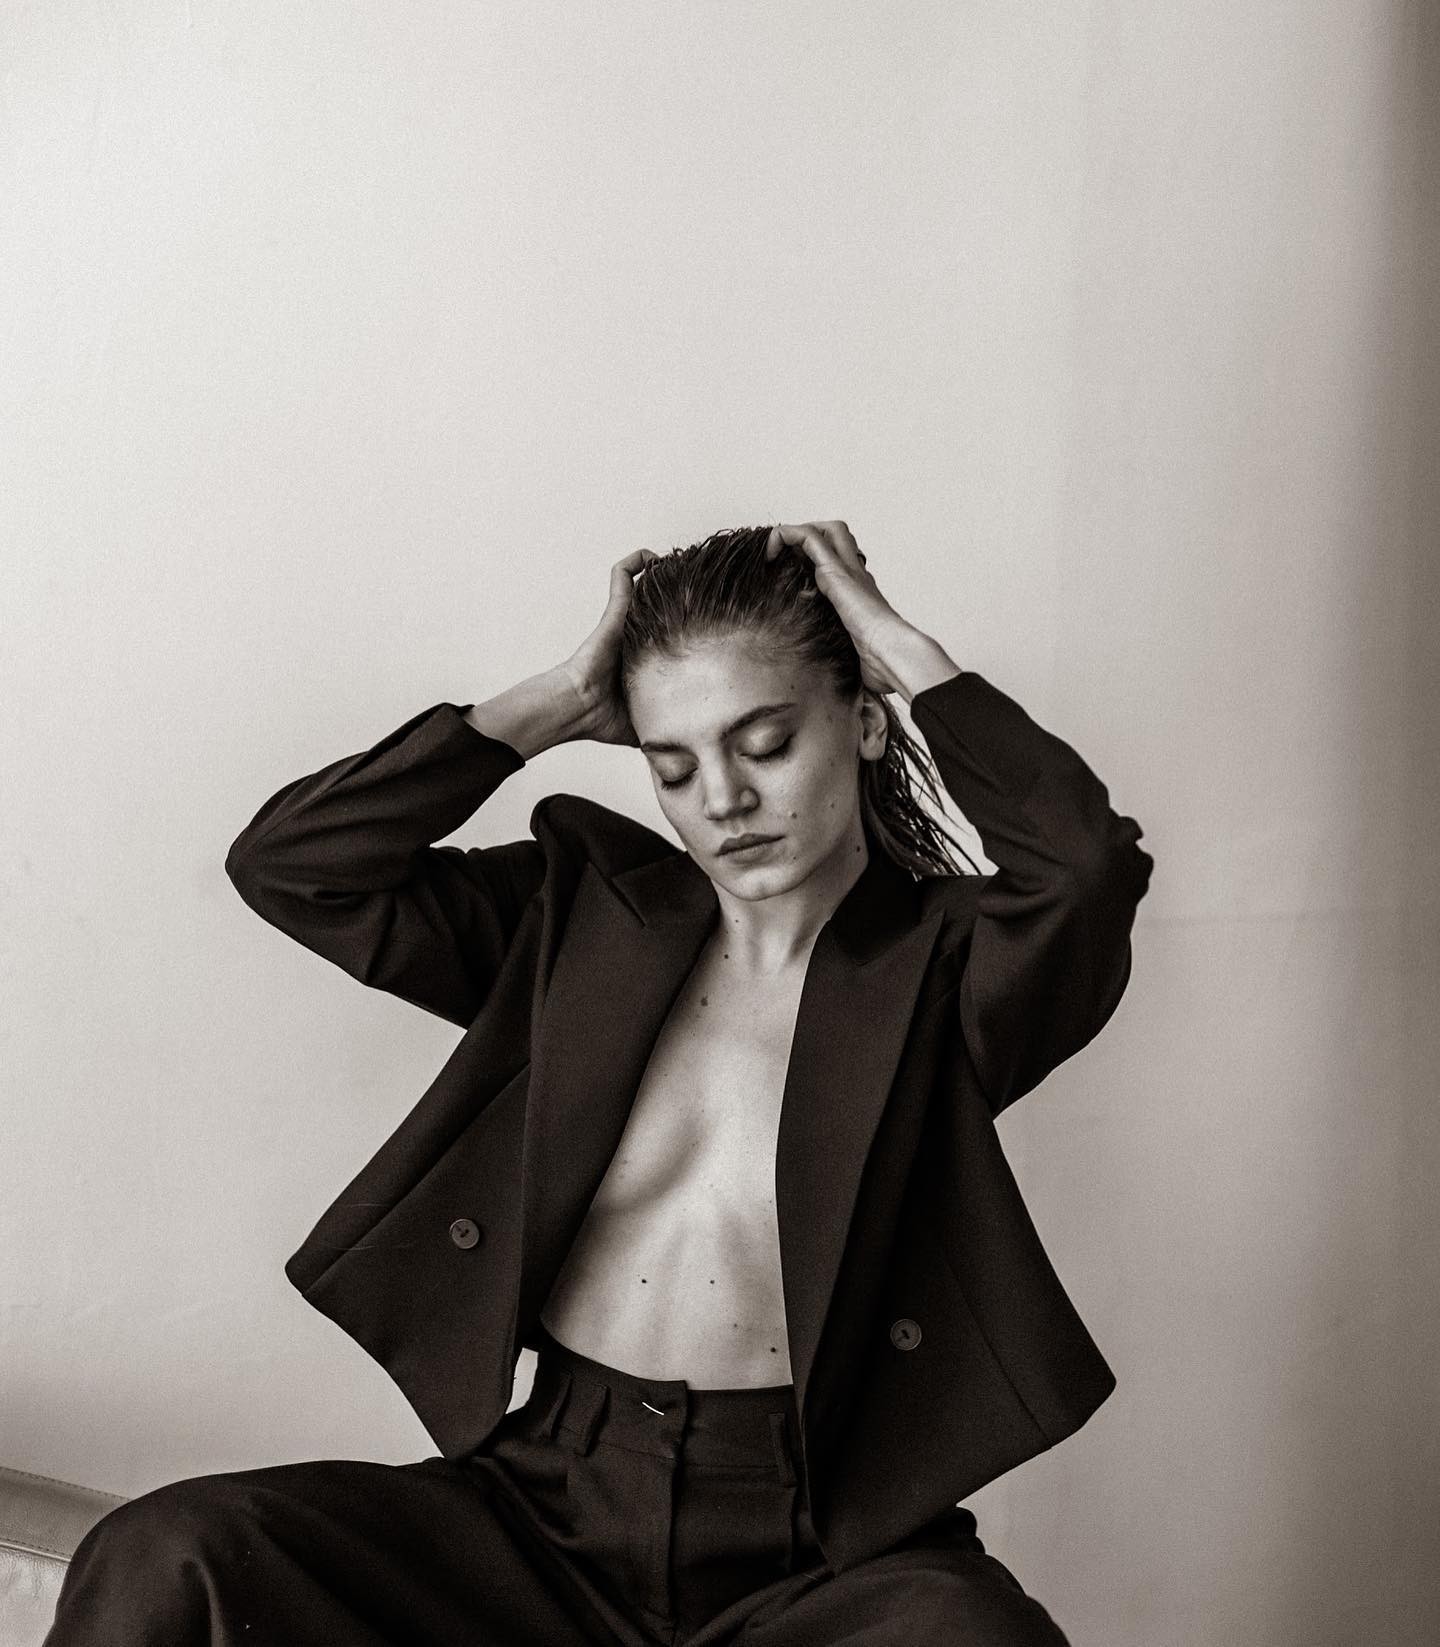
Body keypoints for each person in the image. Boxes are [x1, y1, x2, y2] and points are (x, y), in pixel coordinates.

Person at [45, 521, 1153, 1645]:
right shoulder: (583, 921)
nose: (722, 797)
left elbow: (1085, 868)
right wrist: (559, 701)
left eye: (766, 744)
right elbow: (294, 868)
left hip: (817, 1551)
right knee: (168, 1554)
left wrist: (900, 649)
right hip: (542, 1517)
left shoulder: (950, 974)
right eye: (674, 766)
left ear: (865, 723)